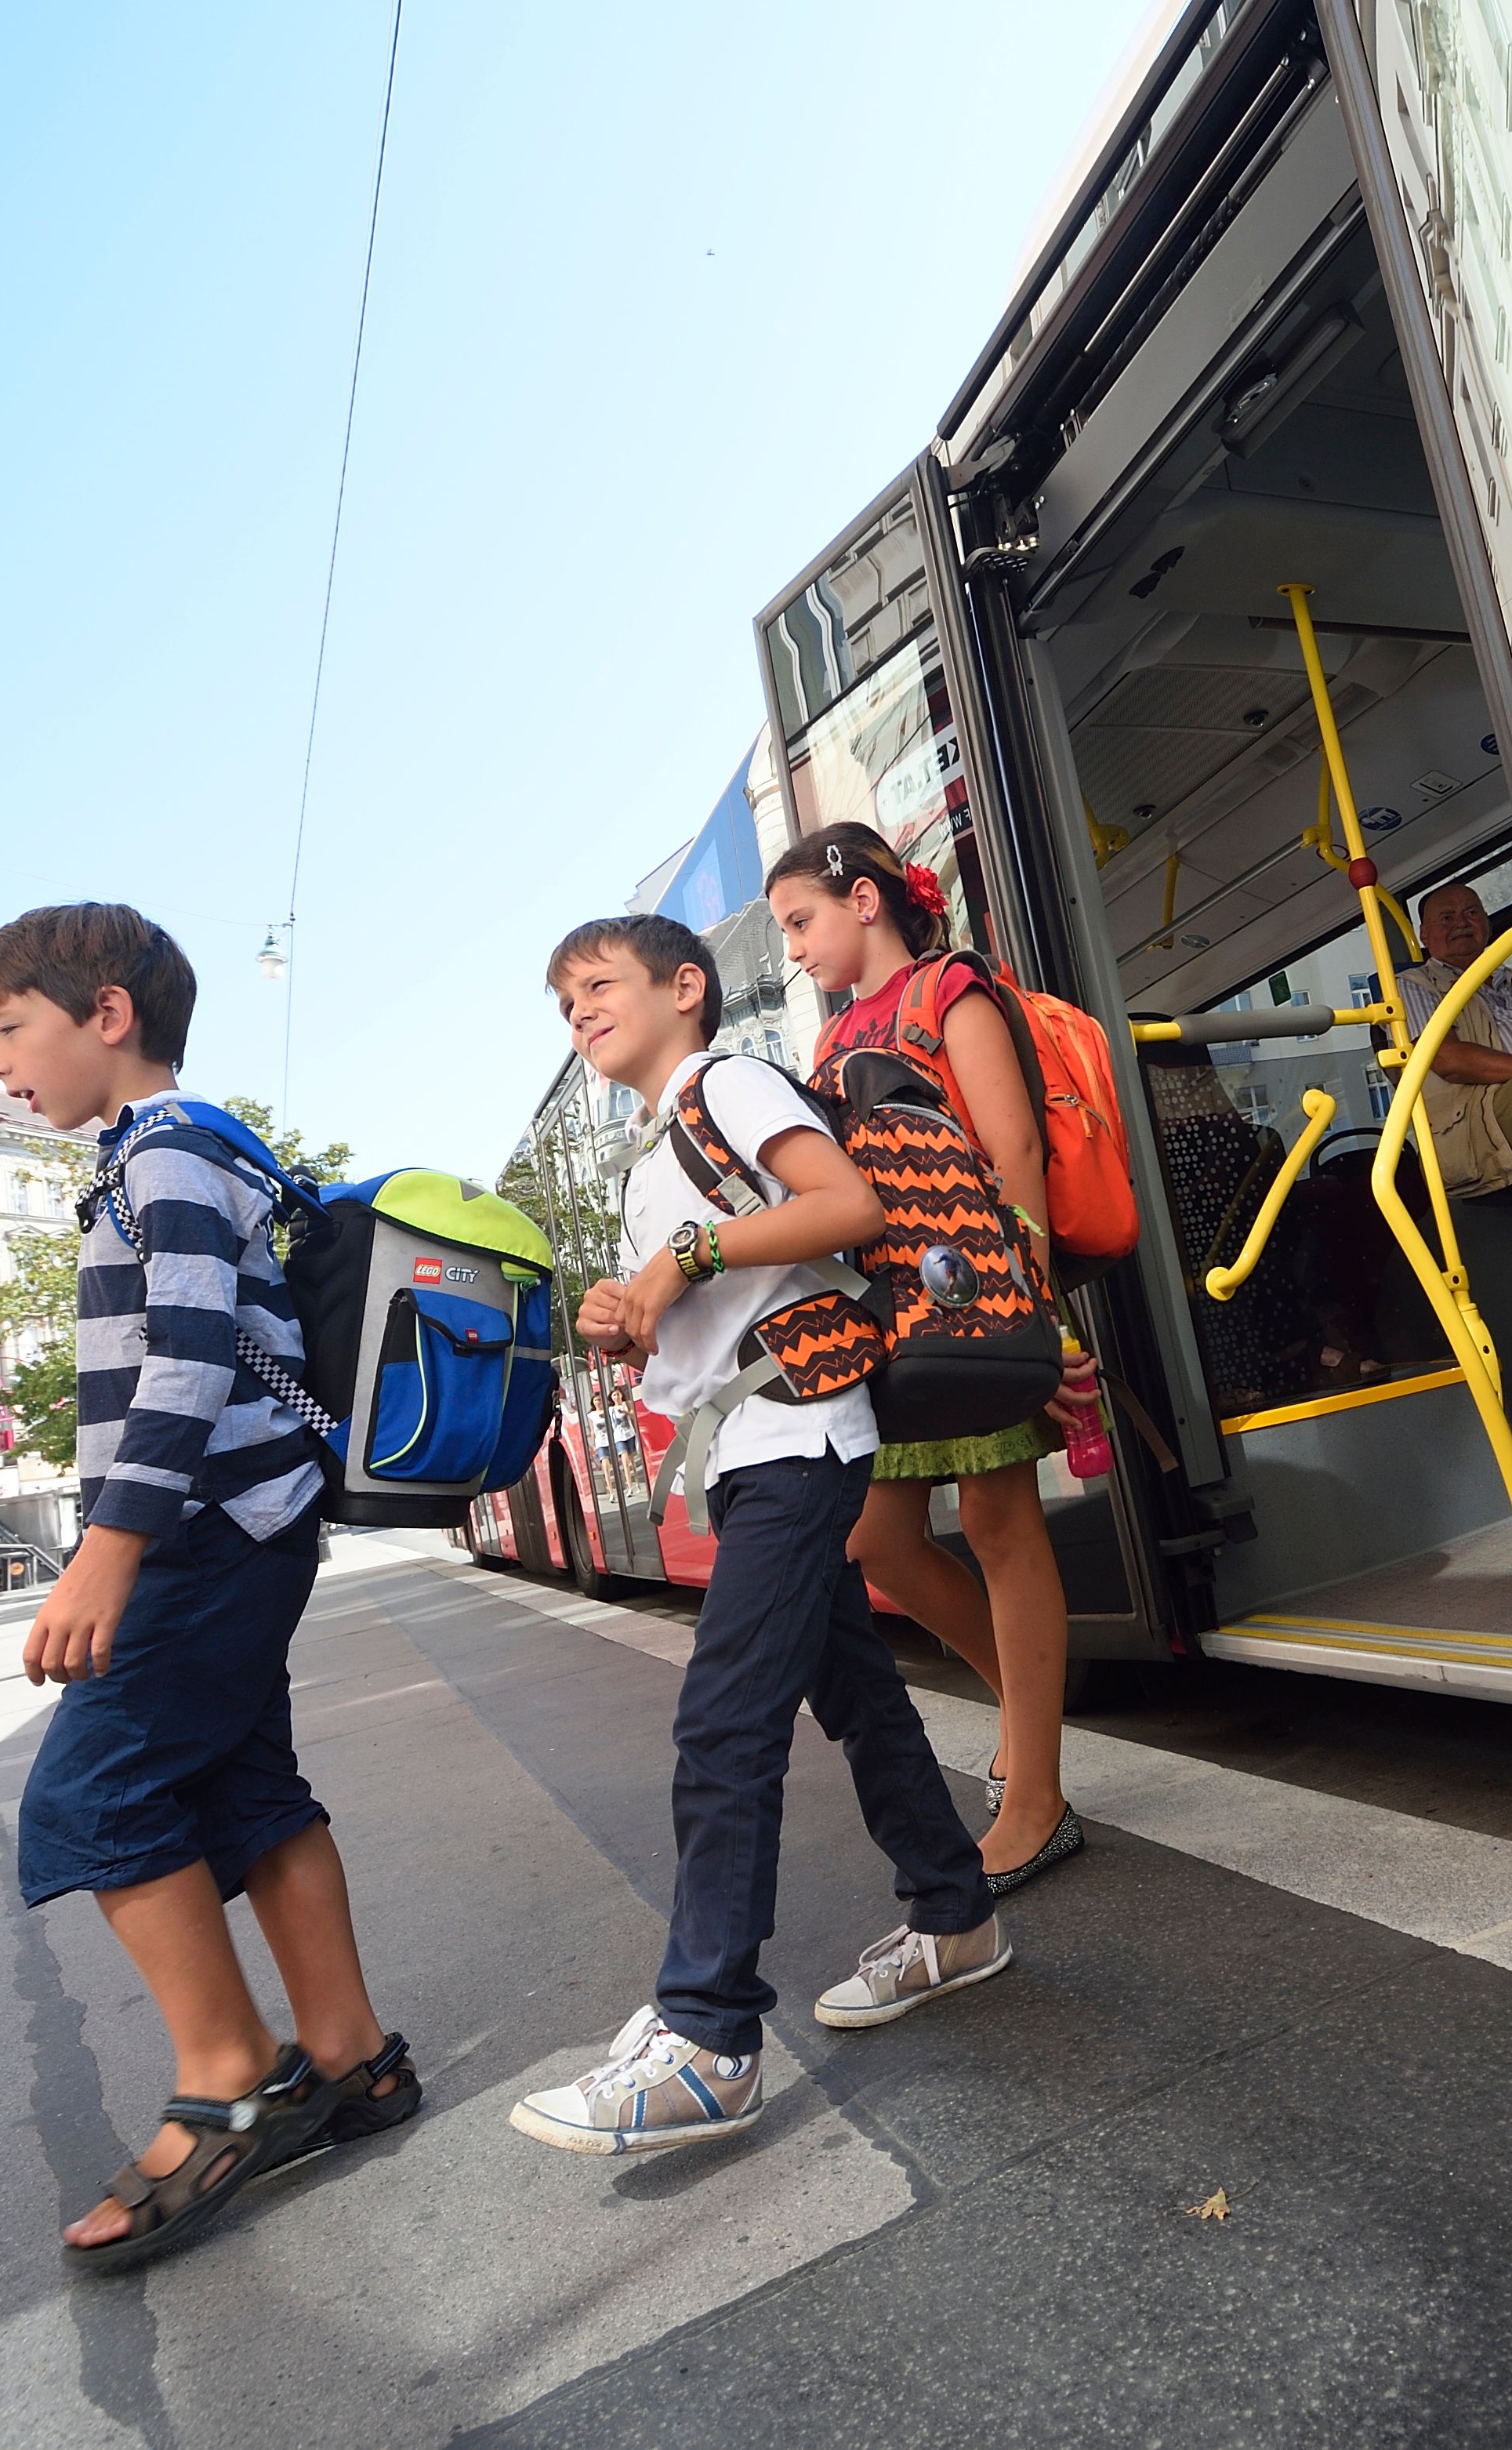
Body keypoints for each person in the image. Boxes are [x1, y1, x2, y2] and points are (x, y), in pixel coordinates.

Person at [0, 903, 413, 2272]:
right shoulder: (185, 1149)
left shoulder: (162, 1153)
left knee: (91, 1794)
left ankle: (233, 2073)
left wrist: (109, 1546)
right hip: (242, 1520)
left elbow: (193, 1353)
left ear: (106, 1015)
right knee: (245, 1787)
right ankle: (353, 2058)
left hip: (203, 1529)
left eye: (8, 1028)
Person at [511, 913, 1005, 2157]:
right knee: (859, 1698)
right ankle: (955, 1916)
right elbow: (715, 1305)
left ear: (686, 985)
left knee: (724, 1722)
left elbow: (844, 1204)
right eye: (563, 1002)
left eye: (599, 984)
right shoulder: (648, 1151)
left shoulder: (724, 1082)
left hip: (798, 1433)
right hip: (743, 1449)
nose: (579, 1011)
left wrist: (679, 1258)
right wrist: (633, 1315)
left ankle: (709, 2035)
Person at [764, 829, 1099, 1897]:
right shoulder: (834, 1036)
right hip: (893, 1315)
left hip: (978, 1301)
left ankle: (1036, 1796)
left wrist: (1035, 1316)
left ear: (864, 901)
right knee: (878, 1539)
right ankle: (1029, 1714)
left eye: (800, 921)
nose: (794, 949)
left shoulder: (949, 988)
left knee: (1000, 1523)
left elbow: (1014, 1152)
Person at [1394, 882, 1512, 1196]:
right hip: (1483, 1108)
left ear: (1487, 923)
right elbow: (1449, 1061)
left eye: (1471, 913)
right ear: (1424, 935)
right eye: (1447, 918)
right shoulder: (1412, 985)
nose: (1461, 923)